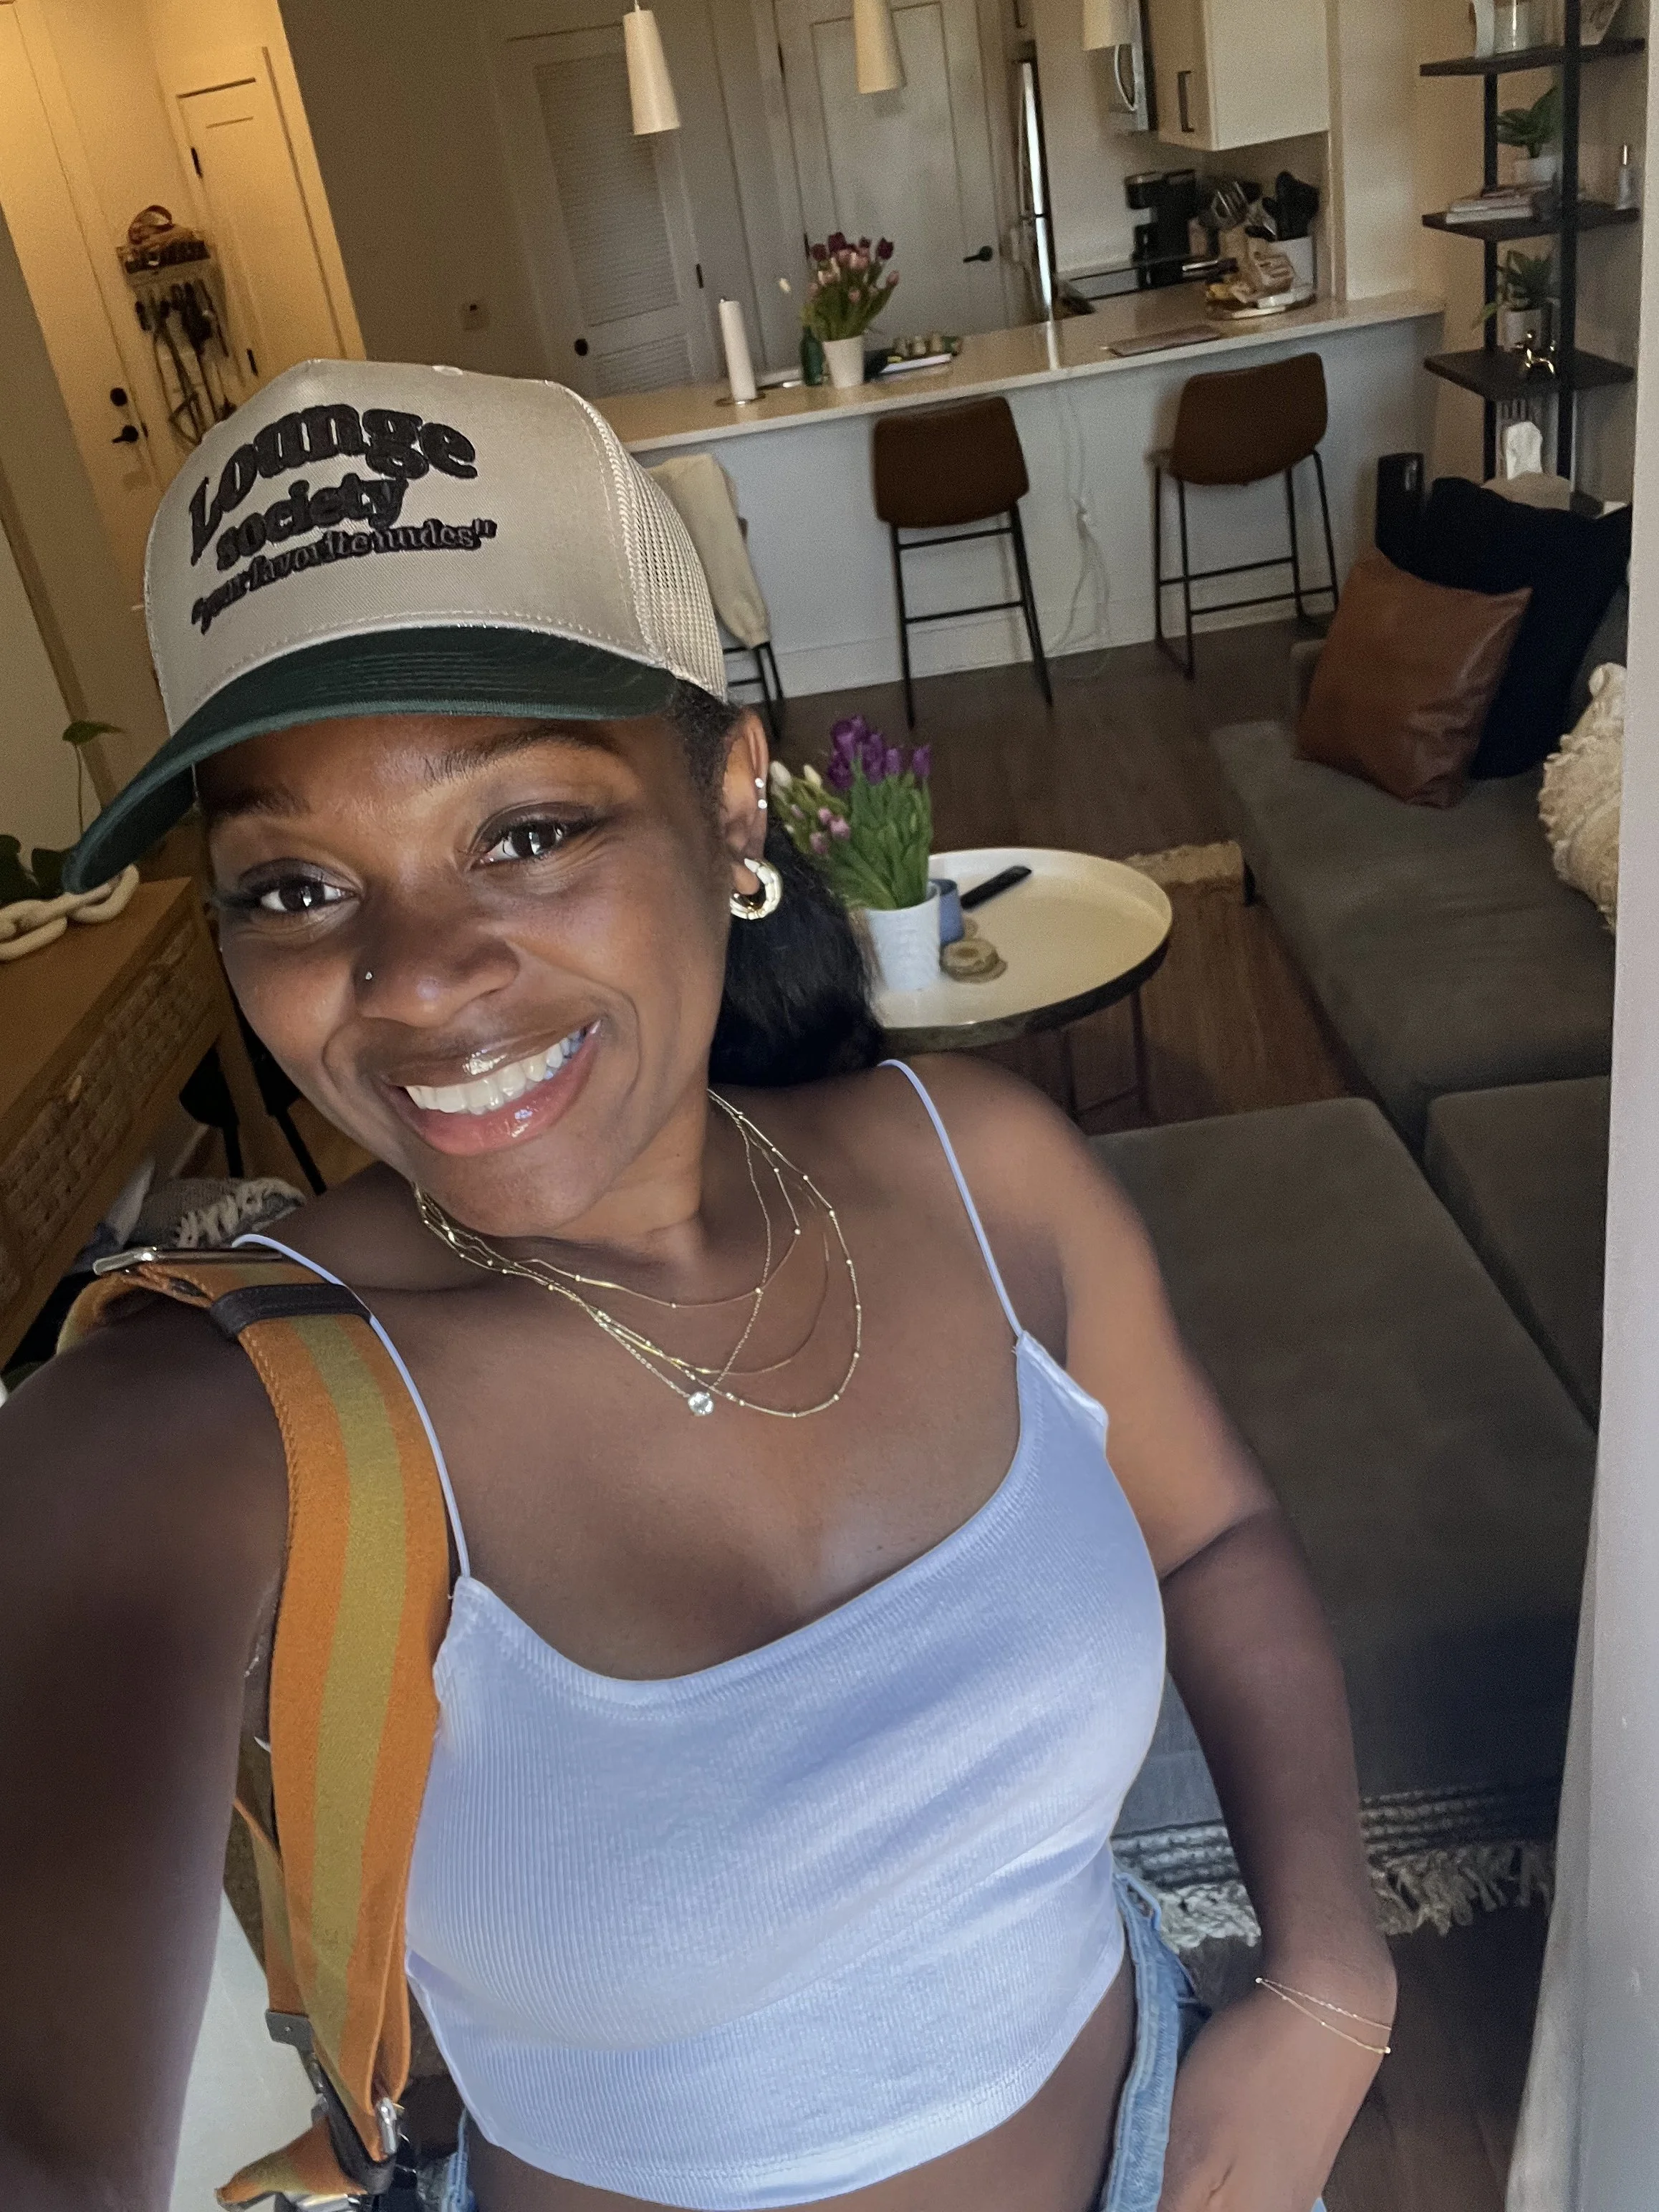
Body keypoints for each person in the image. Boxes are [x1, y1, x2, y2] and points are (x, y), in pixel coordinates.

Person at [0, 362, 1394, 2212]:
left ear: (735, 803)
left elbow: (1209, 1544)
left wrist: (1325, 1984)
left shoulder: (979, 1171)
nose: (414, 978)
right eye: (292, 886)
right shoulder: (187, 1429)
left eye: (523, 832)